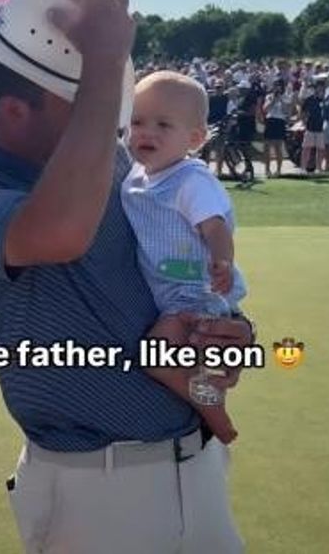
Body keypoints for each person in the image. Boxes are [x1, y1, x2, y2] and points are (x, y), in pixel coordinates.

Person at [0, 0, 250, 553]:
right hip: (93, 494)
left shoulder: (121, 166)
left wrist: (230, 329)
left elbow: (174, 260)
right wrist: (104, 58)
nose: (110, 124)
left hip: (197, 467)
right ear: (16, 112)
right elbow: (63, 231)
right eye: (87, 104)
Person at [122, 71, 246, 443]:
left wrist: (222, 262)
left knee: (157, 355)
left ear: (194, 139)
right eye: (137, 121)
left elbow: (215, 226)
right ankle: (208, 395)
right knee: (181, 358)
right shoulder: (136, 177)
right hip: (169, 293)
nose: (147, 132)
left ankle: (213, 411)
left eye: (163, 124)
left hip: (195, 292)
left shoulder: (190, 180)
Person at [262, 79, 294, 177]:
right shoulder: (269, 96)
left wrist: (281, 100)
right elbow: (265, 109)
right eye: (275, 85)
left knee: (278, 147)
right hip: (270, 121)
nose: (277, 88)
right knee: (267, 147)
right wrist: (273, 101)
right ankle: (267, 170)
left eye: (279, 86)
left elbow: (287, 112)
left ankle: (278, 170)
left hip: (280, 121)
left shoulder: (286, 97)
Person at [299, 80, 326, 172]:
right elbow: (302, 112)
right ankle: (303, 168)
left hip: (321, 128)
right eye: (318, 87)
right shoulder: (309, 99)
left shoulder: (326, 99)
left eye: (322, 87)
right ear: (315, 88)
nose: (320, 89)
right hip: (310, 127)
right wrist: (304, 122)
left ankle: (318, 168)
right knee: (306, 148)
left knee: (321, 149)